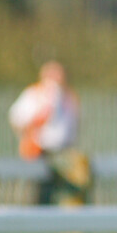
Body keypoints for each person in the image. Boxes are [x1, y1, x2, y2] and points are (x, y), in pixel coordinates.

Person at [8, 61, 80, 204]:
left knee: (64, 196)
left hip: (63, 152)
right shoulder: (34, 94)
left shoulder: (69, 97)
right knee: (36, 195)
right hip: (38, 152)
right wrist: (32, 131)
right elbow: (17, 120)